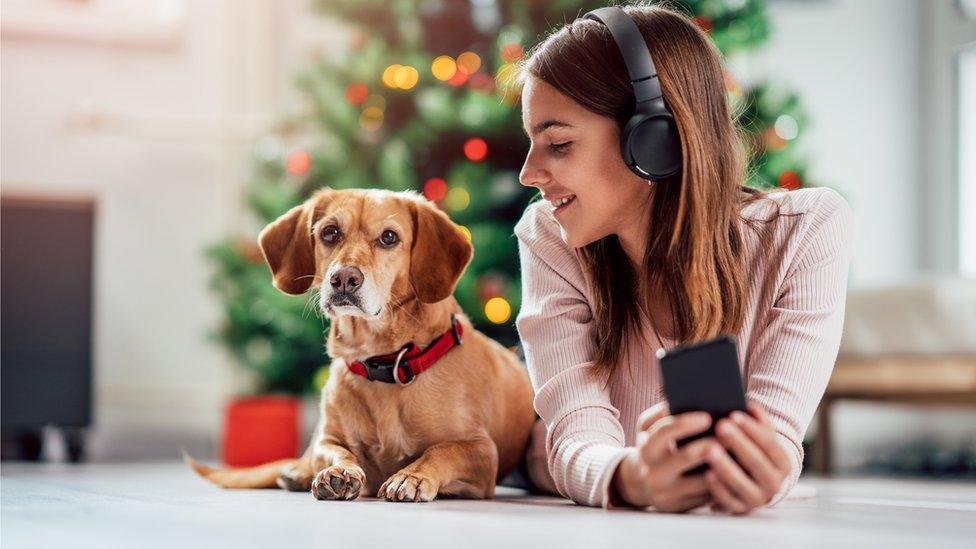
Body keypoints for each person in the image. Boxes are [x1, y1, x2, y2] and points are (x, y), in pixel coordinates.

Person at [508, 3, 854, 514]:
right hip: (538, 446)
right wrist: (629, 478)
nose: (527, 173)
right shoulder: (549, 234)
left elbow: (776, 434)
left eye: (558, 143)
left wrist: (763, 472)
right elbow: (577, 434)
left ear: (654, 139)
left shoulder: (803, 231)